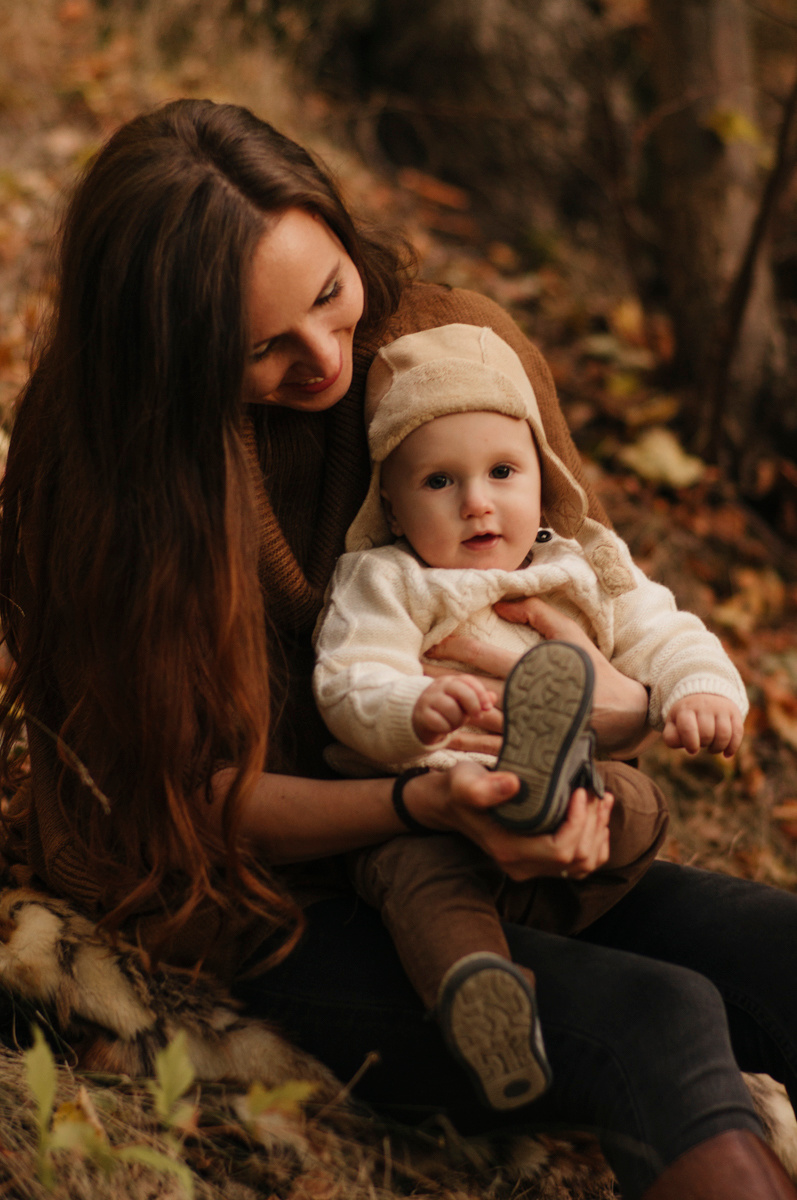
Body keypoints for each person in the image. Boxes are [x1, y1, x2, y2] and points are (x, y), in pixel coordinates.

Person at [0, 97, 795, 1200]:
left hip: (485, 821)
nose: (322, 355)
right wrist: (425, 806)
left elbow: (593, 606)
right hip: (267, 895)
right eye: (260, 349)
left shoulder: (451, 347)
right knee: (658, 1020)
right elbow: (187, 805)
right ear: (170, 358)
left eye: (330, 296)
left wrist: (565, 789)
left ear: (338, 228)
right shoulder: (110, 482)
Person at [311, 321, 746, 1111]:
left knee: (639, 801)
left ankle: (541, 783)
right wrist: (415, 706)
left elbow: (665, 631)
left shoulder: (580, 566)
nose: (477, 502)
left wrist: (697, 691)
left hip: (570, 818)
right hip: (434, 813)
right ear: (394, 506)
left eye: (502, 471)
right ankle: (486, 1006)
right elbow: (348, 680)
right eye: (438, 482)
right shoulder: (387, 582)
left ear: (542, 480)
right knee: (422, 891)